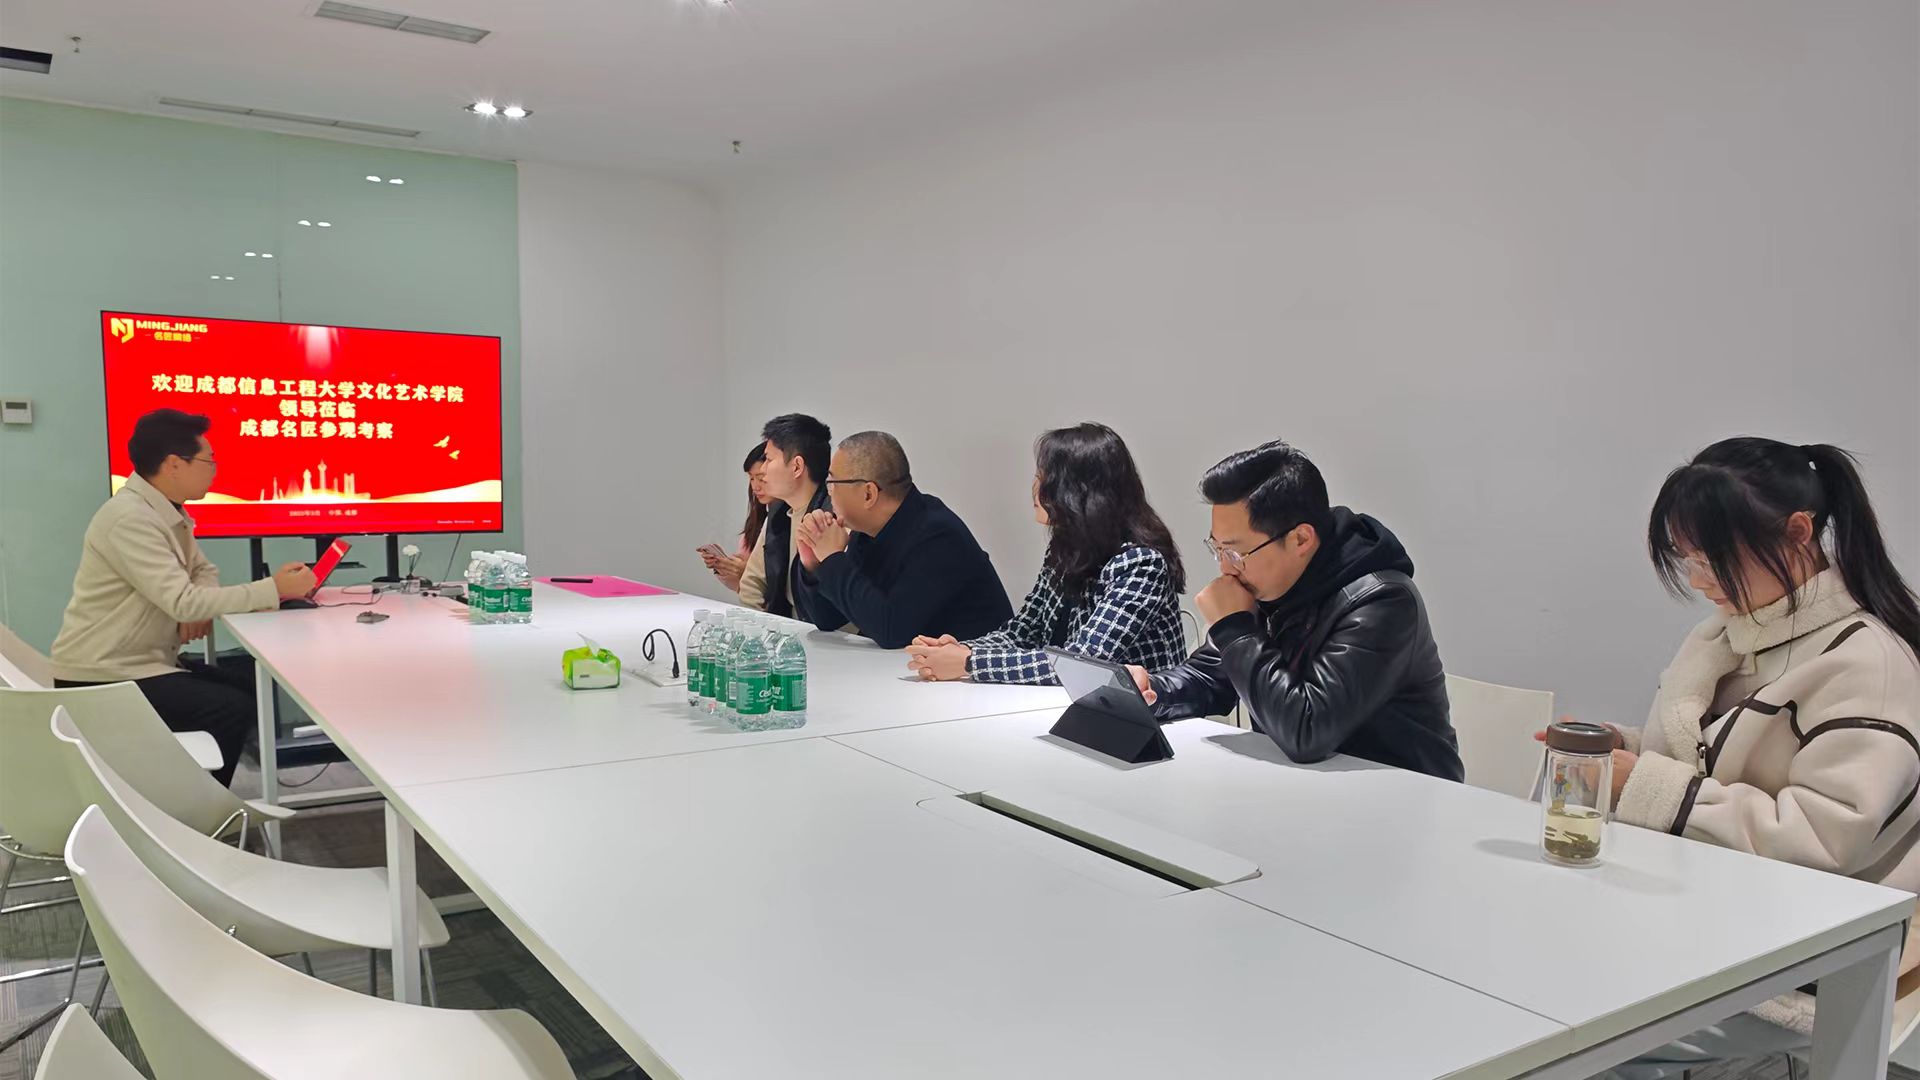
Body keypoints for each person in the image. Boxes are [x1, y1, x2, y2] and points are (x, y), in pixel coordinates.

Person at [1577, 438, 1920, 1079]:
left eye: (1712, 557)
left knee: (1577, 1030)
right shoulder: (1732, 634)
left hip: (1806, 959)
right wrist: (1626, 751)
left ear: (1798, 534)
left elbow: (1824, 840)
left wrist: (1649, 785)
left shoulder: (1864, 661)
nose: (1698, 580)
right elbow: (1714, 761)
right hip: (1718, 914)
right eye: (1687, 558)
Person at [1127, 439, 1461, 780]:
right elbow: (1209, 678)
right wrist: (1149, 689)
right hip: (1303, 788)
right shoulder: (1269, 584)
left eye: (1236, 553)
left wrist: (1234, 627)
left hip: (1405, 794)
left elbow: (1306, 730)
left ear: (1301, 539)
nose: (1226, 568)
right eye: (1218, 549)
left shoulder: (1382, 600)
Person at [50, 409, 317, 787]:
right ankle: (195, 805)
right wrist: (274, 589)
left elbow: (202, 572)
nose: (215, 471)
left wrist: (194, 606)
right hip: (104, 675)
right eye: (209, 461)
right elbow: (183, 599)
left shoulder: (165, 511)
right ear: (174, 464)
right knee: (230, 707)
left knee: (246, 687)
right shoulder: (130, 519)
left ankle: (196, 795)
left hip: (141, 661)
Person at [905, 423, 1186, 684]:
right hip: (1071, 704)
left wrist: (970, 662)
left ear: (1079, 491)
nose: (1034, 488)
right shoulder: (1065, 549)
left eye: (1044, 478)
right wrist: (961, 650)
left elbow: (1084, 663)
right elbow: (1024, 632)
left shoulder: (1140, 564)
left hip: (1140, 712)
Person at [794, 431, 1013, 649]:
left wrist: (833, 559)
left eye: (832, 483)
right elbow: (827, 619)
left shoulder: (938, 535)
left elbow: (891, 630)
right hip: (914, 664)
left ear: (868, 493)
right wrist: (814, 565)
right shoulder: (866, 531)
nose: (829, 493)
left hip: (975, 665)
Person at [736, 413, 833, 620]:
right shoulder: (778, 512)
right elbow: (751, 584)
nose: (763, 469)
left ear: (797, 467)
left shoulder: (831, 519)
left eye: (768, 460)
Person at [699, 442, 773, 600]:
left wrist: (749, 573)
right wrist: (723, 566)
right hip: (754, 608)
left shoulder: (792, 520)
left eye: (761, 478)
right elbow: (742, 587)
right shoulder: (758, 521)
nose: (755, 486)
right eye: (751, 479)